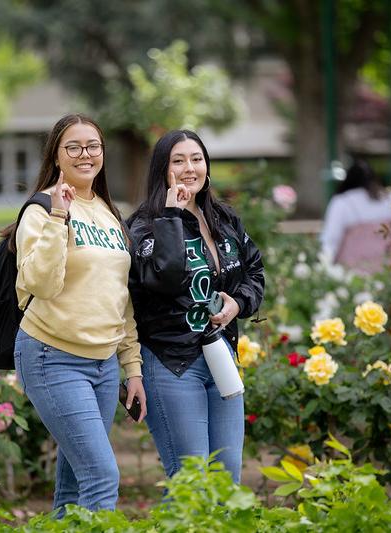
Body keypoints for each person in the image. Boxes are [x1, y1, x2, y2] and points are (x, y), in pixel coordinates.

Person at [11, 113, 146, 514]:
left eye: (93, 146)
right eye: (73, 146)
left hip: (104, 365)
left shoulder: (108, 211)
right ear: (56, 156)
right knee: (102, 476)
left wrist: (132, 369)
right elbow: (41, 283)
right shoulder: (39, 211)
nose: (85, 154)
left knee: (74, 483)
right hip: (53, 356)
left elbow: (121, 299)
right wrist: (57, 217)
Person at [127, 130, 265, 484]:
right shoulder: (144, 226)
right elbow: (166, 278)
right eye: (178, 160)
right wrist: (173, 215)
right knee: (191, 481)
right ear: (163, 169)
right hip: (172, 362)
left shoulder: (224, 219)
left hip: (221, 358)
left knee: (226, 478)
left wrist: (238, 303)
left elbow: (254, 271)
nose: (190, 168)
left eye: (197, 158)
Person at [319, 159, 391, 274]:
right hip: (389, 270)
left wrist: (324, 268)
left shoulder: (342, 202)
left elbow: (330, 240)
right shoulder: (389, 197)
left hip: (353, 273)